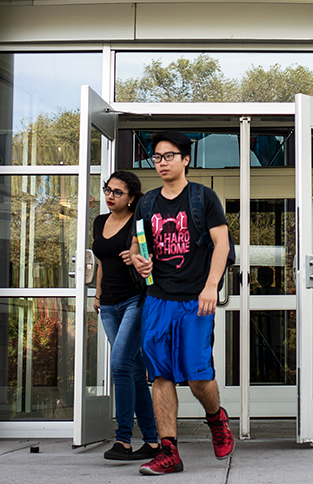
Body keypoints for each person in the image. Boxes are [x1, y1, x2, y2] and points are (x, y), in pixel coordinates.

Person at [130, 131, 234, 476]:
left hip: (195, 301)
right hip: (158, 299)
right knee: (160, 375)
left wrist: (210, 287)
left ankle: (216, 418)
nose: (162, 162)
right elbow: (137, 247)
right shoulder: (146, 203)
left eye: (169, 156)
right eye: (157, 157)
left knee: (197, 378)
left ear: (185, 159)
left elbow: (222, 245)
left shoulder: (203, 198)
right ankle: (169, 452)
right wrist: (139, 260)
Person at [92, 171, 160, 461]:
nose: (110, 195)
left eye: (117, 192)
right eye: (108, 190)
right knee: (132, 370)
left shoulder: (139, 222)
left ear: (131, 198)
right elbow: (101, 262)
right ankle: (153, 441)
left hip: (136, 299)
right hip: (108, 304)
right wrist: (96, 294)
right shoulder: (99, 222)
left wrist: (134, 256)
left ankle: (122, 439)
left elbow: (151, 257)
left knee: (119, 364)